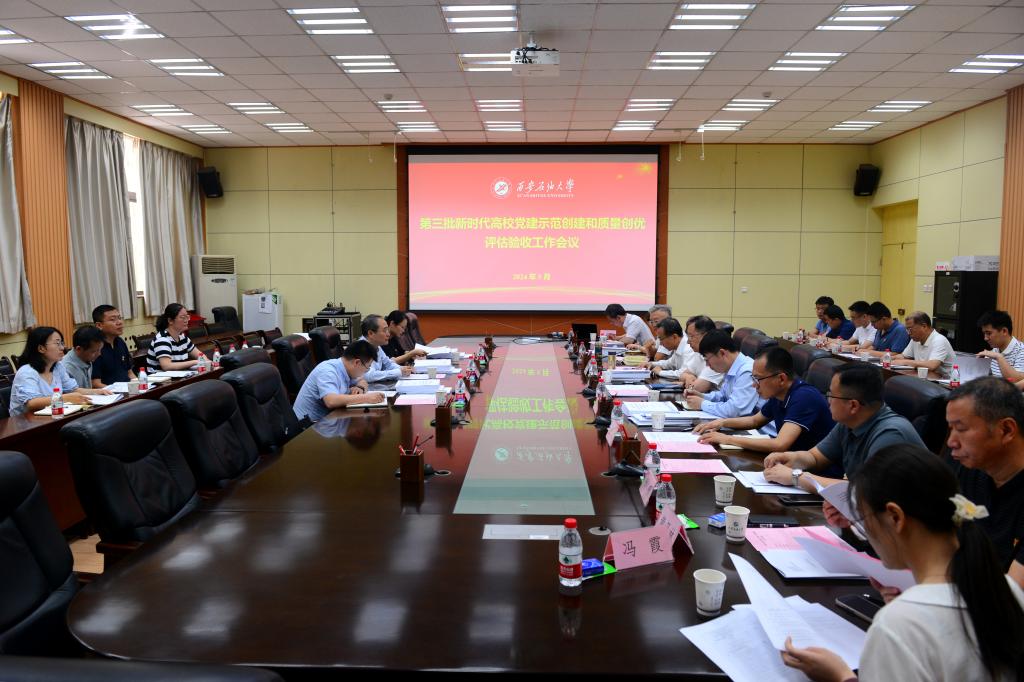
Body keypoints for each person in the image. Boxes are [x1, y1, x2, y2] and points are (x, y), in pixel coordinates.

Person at [780, 443, 1024, 682]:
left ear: (895, 517)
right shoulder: (1007, 590)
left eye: (863, 519)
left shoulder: (898, 626)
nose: (865, 530)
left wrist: (840, 676)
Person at [762, 363, 924, 503]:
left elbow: (862, 493)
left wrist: (796, 477)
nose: (828, 401)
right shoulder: (849, 422)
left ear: (853, 406)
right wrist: (790, 458)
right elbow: (815, 457)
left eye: (831, 395)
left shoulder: (891, 434)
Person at [945, 378, 1024, 587]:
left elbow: (1013, 593)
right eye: (950, 429)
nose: (951, 442)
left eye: (961, 429)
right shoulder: (966, 465)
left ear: (1006, 430)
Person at [694, 347, 835, 453]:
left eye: (758, 379)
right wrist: (721, 422)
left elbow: (780, 444)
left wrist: (728, 439)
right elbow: (754, 421)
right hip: (792, 462)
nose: (754, 385)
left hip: (816, 473)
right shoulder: (779, 394)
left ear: (781, 379)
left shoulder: (804, 397)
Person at [8, 327, 109, 416]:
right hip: (26, 424)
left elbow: (73, 390)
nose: (62, 348)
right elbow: (31, 403)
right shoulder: (26, 372)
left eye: (62, 343)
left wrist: (97, 392)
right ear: (41, 348)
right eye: (57, 343)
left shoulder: (57, 367)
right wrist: (65, 398)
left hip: (52, 416)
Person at [293, 339, 382, 423]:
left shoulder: (346, 368)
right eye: (367, 368)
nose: (365, 372)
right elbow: (331, 401)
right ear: (357, 363)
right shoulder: (328, 371)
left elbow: (362, 380)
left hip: (330, 420)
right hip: (310, 426)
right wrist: (367, 398)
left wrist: (360, 387)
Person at [683, 330, 762, 418]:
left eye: (707, 360)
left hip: (756, 426)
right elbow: (723, 396)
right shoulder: (732, 367)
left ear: (722, 353)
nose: (707, 365)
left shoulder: (747, 372)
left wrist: (702, 404)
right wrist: (702, 396)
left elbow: (735, 411)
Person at [893, 311, 957, 375]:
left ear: (924, 326)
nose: (908, 333)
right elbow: (904, 356)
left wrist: (905, 362)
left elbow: (932, 365)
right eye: (907, 329)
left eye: (910, 329)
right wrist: (890, 358)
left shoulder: (939, 340)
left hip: (943, 379)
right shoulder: (915, 339)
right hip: (924, 377)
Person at [358, 314, 416, 383]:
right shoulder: (361, 348)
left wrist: (402, 368)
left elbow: (388, 364)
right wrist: (398, 372)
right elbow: (368, 376)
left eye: (387, 330)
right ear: (370, 333)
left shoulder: (376, 345)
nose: (388, 334)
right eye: (384, 330)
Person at [147, 304, 204, 372]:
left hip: (179, 375)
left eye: (187, 317)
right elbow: (167, 366)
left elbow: (200, 355)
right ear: (170, 321)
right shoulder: (162, 339)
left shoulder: (183, 337)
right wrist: (194, 362)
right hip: (161, 378)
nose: (186, 320)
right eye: (182, 317)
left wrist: (208, 362)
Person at [90, 304, 136, 387]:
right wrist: (116, 392)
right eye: (113, 320)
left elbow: (130, 373)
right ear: (99, 325)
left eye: (119, 318)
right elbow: (95, 383)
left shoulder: (120, 342)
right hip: (110, 392)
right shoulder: (95, 348)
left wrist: (139, 385)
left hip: (128, 389)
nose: (119, 322)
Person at [677, 315, 723, 392]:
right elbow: (682, 375)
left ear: (706, 335)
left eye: (691, 336)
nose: (688, 342)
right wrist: (688, 377)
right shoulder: (699, 353)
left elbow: (697, 388)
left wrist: (686, 383)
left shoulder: (717, 356)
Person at [976, 310, 1024, 382]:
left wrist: (999, 357)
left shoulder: (1021, 351)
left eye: (989, 333)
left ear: (1004, 331)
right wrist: (980, 364)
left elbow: (1016, 381)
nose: (985, 338)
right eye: (984, 333)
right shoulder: (994, 350)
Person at [60, 326, 105, 392]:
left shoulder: (86, 359)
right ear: (79, 349)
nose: (99, 354)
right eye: (94, 351)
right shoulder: (65, 368)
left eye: (100, 350)